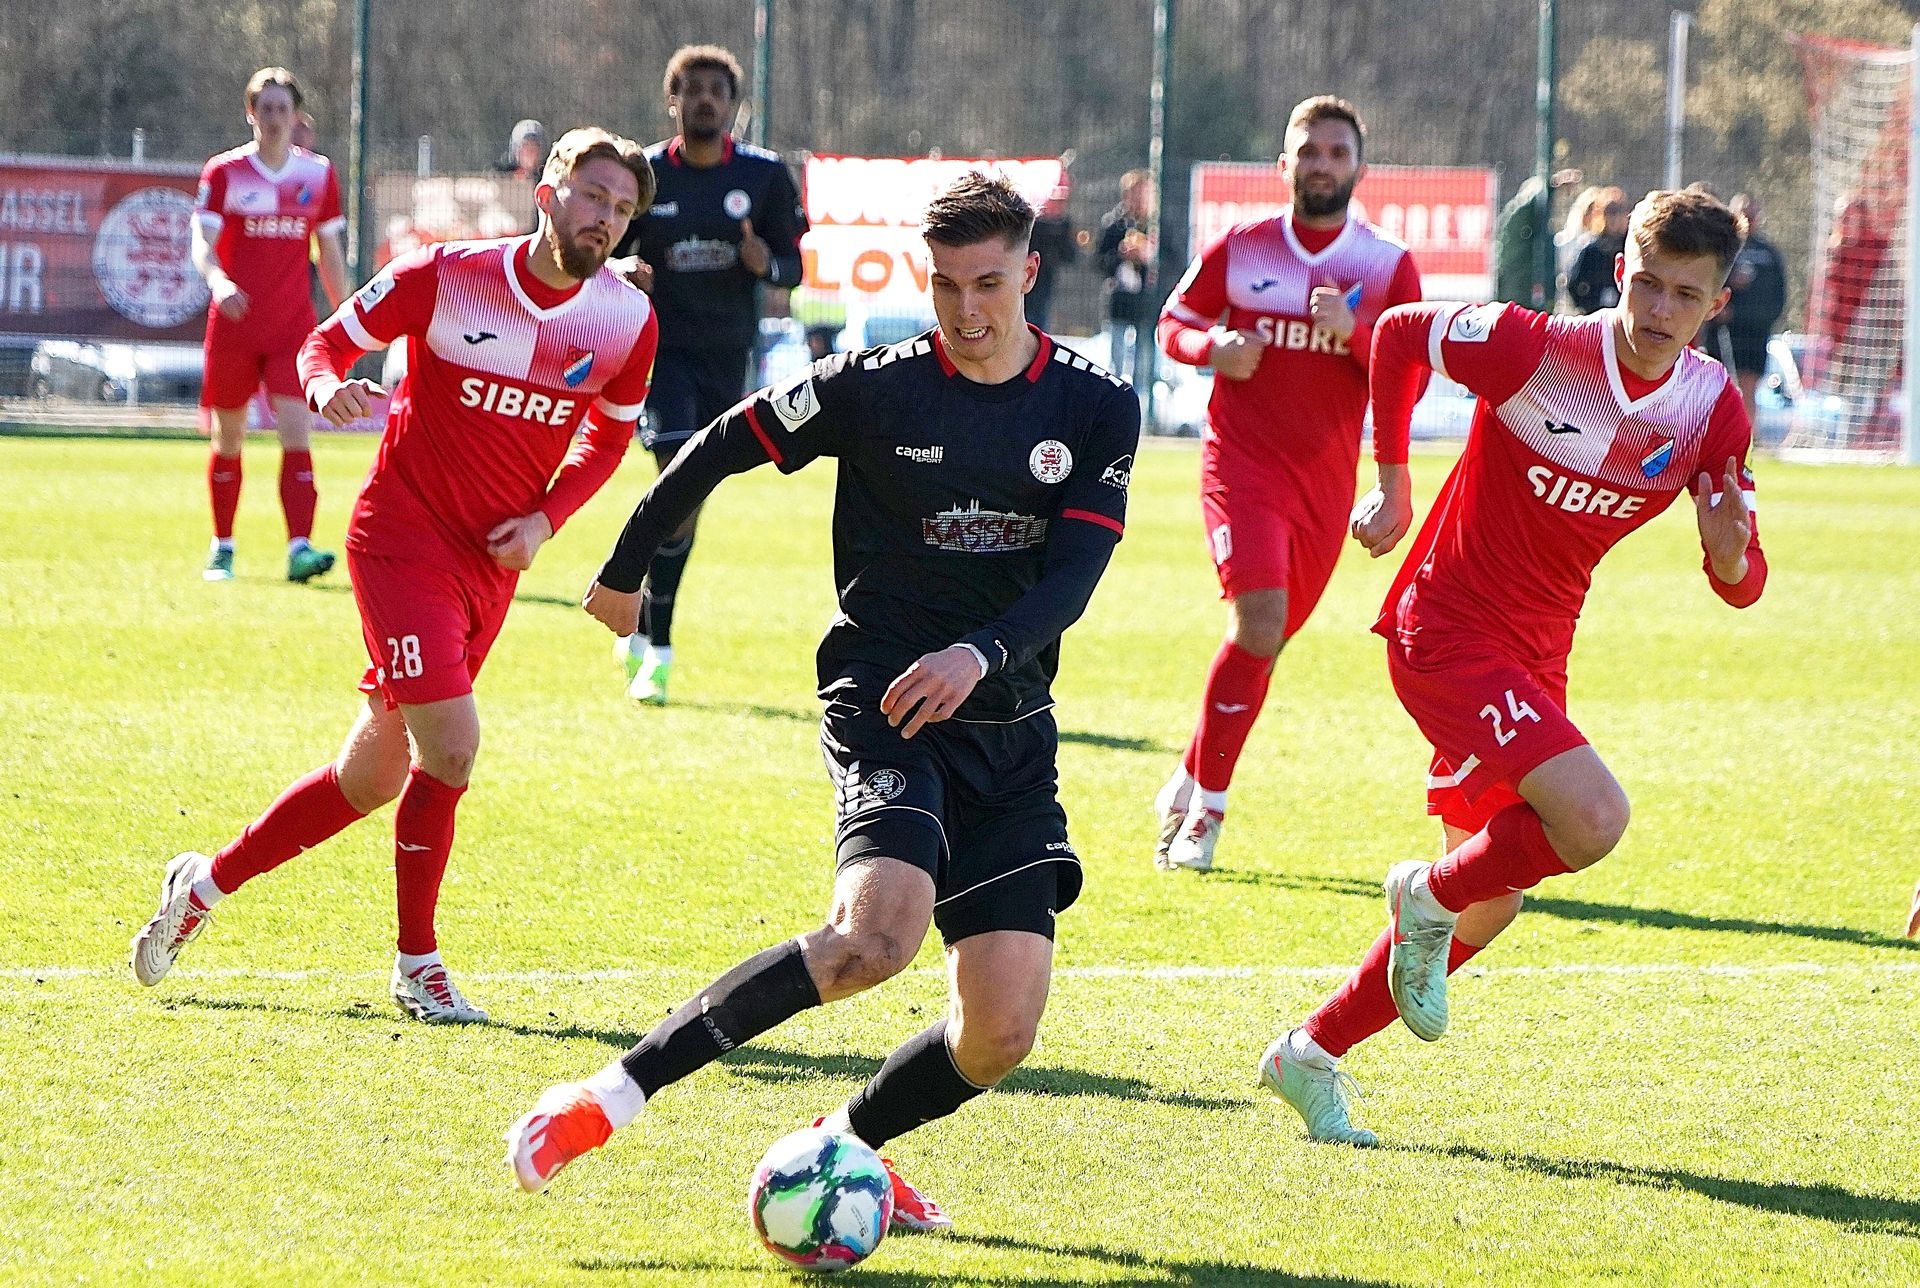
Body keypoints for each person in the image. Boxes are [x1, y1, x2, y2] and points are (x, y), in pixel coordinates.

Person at [504, 173, 1139, 1230]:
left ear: (1031, 272)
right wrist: (626, 570)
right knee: (873, 939)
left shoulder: (1096, 404)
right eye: (945, 285)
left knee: (999, 1034)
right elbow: (718, 444)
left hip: (1010, 725)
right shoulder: (876, 386)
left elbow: (1074, 575)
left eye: (988, 284)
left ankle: (843, 1145)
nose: (967, 311)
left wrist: (980, 654)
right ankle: (604, 1098)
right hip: (884, 698)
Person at [1258, 188, 1767, 1145]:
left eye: (1685, 295)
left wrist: (1731, 555)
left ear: (1716, 305)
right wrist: (1394, 484)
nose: (1659, 310)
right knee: (1593, 818)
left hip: (1537, 657)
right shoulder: (1536, 348)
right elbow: (1399, 334)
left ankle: (1310, 1053)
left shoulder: (1711, 410)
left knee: (1490, 902)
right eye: (1647, 284)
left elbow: (1741, 581)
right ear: (1618, 272)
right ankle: (1423, 894)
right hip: (1447, 630)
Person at [131, 128, 660, 1023]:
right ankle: (418, 966)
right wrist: (324, 387)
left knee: (371, 776)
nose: (604, 219)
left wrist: (545, 519)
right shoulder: (446, 274)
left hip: (490, 567)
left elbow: (608, 438)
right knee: (450, 748)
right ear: (546, 193)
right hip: (400, 539)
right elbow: (324, 345)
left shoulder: (626, 321)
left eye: (620, 208)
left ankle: (203, 884)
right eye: (592, 196)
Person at [1150, 96, 1422, 872]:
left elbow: (1408, 376)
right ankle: (1206, 813)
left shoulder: (1386, 263)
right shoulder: (1243, 247)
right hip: (1241, 465)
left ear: (1360, 170)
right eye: (1309, 152)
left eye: (1337, 153)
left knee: (1264, 640)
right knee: (1261, 620)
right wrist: (1212, 348)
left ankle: (1189, 774)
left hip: (1324, 486)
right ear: (1284, 165)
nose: (1322, 165)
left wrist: (1356, 336)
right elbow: (1173, 323)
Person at [608, 44, 807, 705]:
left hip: (728, 360)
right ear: (673, 101)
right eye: (691, 89)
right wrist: (624, 273)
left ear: (732, 104)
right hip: (660, 357)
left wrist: (764, 264)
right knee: (676, 477)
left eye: (716, 91)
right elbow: (604, 256)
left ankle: (643, 611)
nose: (703, 100)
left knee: (686, 502)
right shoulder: (644, 176)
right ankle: (658, 651)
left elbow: (792, 269)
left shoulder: (764, 176)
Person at [191, 67, 350, 583]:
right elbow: (202, 245)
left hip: (292, 331)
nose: (275, 118)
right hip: (235, 327)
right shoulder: (225, 172)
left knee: (298, 435)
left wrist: (347, 319)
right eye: (266, 109)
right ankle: (223, 547)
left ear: (296, 116)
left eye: (283, 109)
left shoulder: (317, 175)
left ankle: (300, 548)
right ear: (250, 114)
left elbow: (329, 252)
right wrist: (219, 283)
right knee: (228, 439)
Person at [1700, 193, 1787, 427]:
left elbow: (1777, 299)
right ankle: (1713, 434)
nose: (1749, 219)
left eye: (1753, 214)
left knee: (1748, 388)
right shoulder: (1722, 248)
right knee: (1717, 387)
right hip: (1721, 331)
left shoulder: (1769, 253)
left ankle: (1745, 436)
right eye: (1744, 214)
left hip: (1754, 334)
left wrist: (1743, 315)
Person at [1096, 169, 1157, 390]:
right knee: (1117, 358)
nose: (1139, 199)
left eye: (1144, 194)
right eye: (1134, 194)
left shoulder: (1158, 226)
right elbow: (1099, 261)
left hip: (1147, 303)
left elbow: (1174, 261)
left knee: (1144, 361)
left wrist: (1149, 256)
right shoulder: (1113, 225)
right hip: (1120, 300)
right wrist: (1121, 255)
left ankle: (1142, 401)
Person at [1493, 168, 1582, 307]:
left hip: (1535, 294)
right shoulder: (1517, 222)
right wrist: (1551, 186)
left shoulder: (1541, 233)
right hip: (1519, 292)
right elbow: (1528, 204)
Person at [1564, 188, 1628, 313]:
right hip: (1596, 312)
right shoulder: (1591, 248)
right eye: (1610, 212)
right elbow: (1573, 283)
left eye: (1619, 212)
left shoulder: (1629, 247)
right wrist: (1586, 305)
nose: (1615, 218)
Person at [1026, 176, 1077, 332]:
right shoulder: (1034, 223)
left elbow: (1070, 256)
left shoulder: (1063, 225)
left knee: (1039, 319)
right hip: (1027, 279)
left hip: (1045, 280)